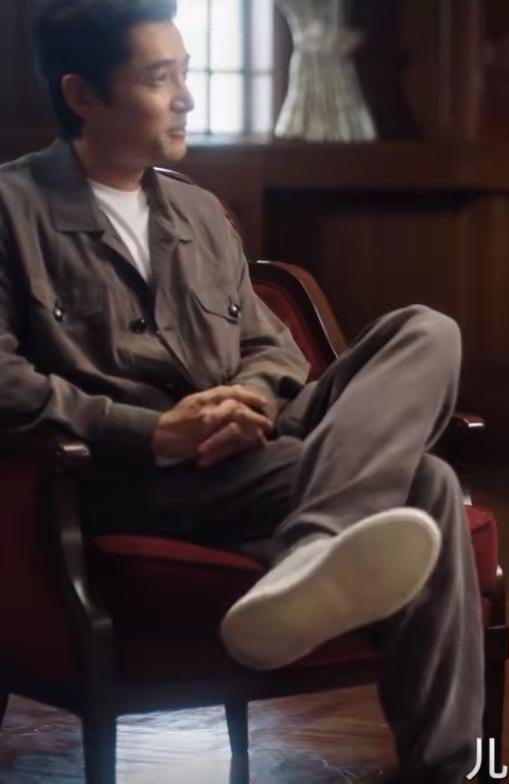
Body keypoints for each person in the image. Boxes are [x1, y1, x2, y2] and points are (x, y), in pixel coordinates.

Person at [0, 1, 481, 781]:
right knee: (426, 485)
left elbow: (271, 347)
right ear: (82, 94)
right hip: (133, 473)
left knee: (427, 330)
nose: (186, 98)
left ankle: (315, 544)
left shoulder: (196, 210)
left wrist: (252, 397)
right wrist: (156, 432)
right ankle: (446, 770)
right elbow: (4, 381)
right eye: (160, 79)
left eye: (185, 74)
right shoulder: (11, 211)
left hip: (254, 444)